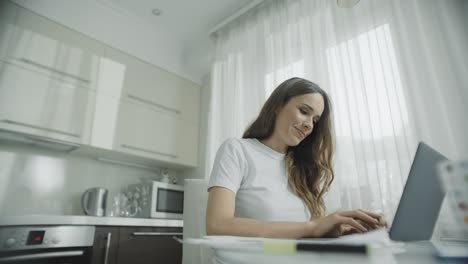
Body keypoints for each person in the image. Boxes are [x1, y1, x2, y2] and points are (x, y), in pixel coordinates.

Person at [206, 77, 386, 241]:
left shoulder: (301, 167)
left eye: (315, 120)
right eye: (303, 111)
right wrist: (313, 227)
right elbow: (217, 225)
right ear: (278, 105)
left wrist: (334, 230)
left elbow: (305, 231)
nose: (309, 125)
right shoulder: (238, 150)